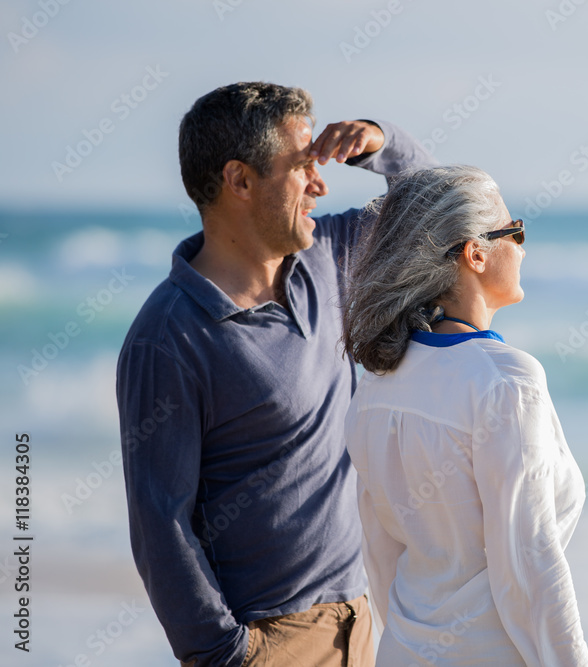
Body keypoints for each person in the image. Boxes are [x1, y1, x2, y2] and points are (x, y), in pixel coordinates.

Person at [116, 81, 435, 666]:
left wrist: (382, 145)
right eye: (302, 166)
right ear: (239, 181)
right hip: (266, 643)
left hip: (358, 623)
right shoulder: (167, 337)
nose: (321, 183)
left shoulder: (328, 256)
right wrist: (225, 655)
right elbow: (160, 523)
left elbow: (437, 214)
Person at [342, 165, 588, 666]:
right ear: (475, 253)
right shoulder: (505, 380)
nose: (522, 248)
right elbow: (529, 563)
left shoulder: (373, 388)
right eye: (514, 232)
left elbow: (380, 553)